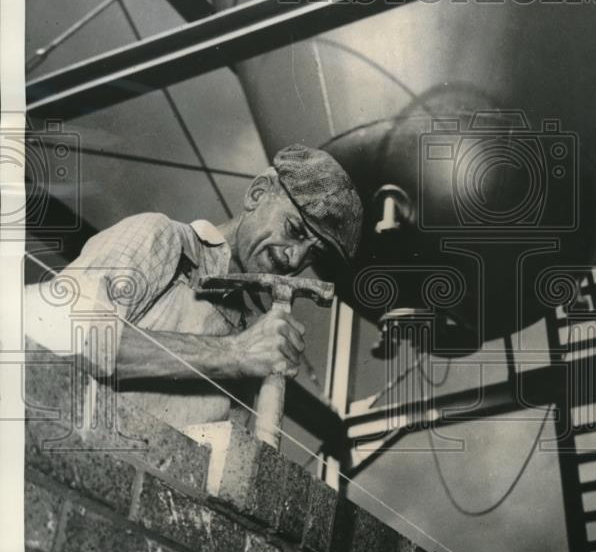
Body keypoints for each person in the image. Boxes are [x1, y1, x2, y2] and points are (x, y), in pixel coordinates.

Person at [23, 144, 363, 430]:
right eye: (295, 230)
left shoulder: (251, 331)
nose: (294, 258)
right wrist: (233, 354)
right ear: (258, 193)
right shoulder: (162, 239)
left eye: (312, 253)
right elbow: (50, 328)